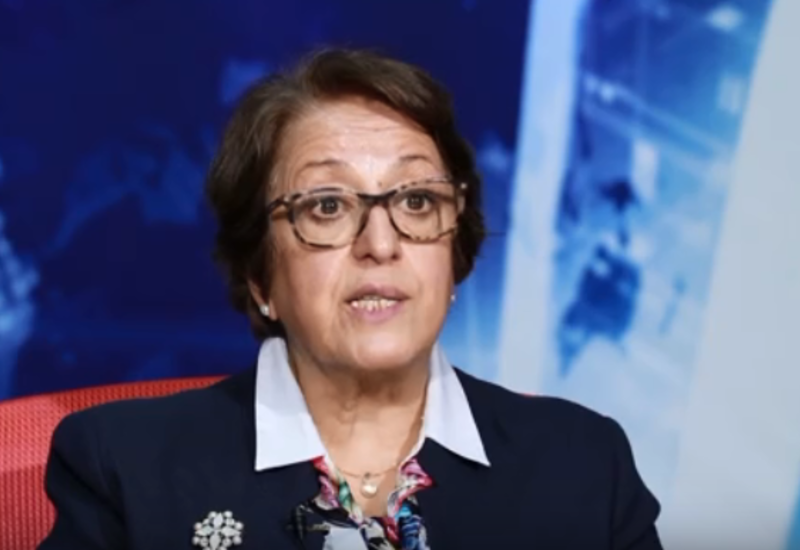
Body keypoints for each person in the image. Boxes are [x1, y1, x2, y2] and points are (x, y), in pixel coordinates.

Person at [38, 48, 662, 550]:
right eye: (327, 206)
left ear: (455, 250)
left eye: (416, 200)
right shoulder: (125, 468)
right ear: (260, 275)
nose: (380, 244)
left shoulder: (584, 463)